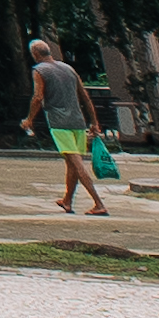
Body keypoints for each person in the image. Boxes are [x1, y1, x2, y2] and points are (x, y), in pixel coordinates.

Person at [33, 34, 113, 213]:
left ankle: (98, 203)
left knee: (76, 163)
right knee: (71, 164)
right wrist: (94, 122)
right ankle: (67, 200)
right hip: (78, 122)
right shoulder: (69, 69)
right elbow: (84, 96)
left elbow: (38, 97)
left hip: (59, 123)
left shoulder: (40, 70)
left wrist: (29, 119)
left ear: (35, 55)